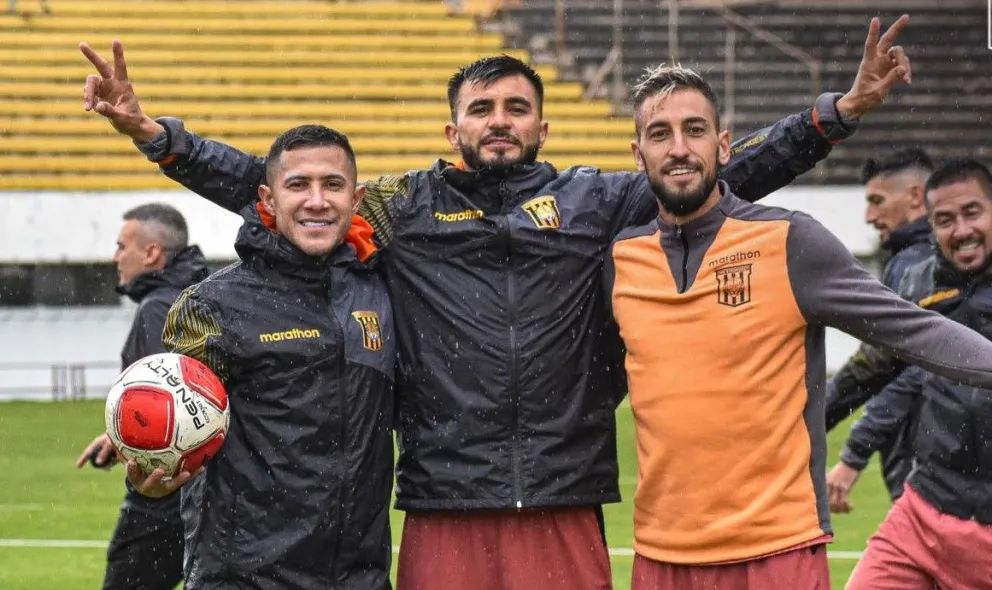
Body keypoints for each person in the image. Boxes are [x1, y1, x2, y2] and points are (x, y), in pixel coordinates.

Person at [79, 16, 911, 589]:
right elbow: (281, 193)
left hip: (563, 491)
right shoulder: (399, 209)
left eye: (517, 108)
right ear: (454, 130)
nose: (500, 120)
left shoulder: (595, 204)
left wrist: (835, 115)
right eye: (482, 109)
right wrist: (159, 137)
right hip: (444, 497)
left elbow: (719, 174)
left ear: (544, 127)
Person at [604, 67, 992, 590]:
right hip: (660, 557)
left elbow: (916, 330)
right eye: (660, 134)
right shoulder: (619, 260)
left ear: (723, 146)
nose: (678, 148)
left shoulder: (789, 243)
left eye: (694, 130)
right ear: (637, 155)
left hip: (776, 552)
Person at [125, 125, 396, 589]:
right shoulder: (209, 307)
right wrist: (152, 482)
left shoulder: (381, 289)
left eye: (333, 185)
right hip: (245, 578)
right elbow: (173, 430)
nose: (316, 200)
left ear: (357, 200)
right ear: (267, 201)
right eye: (297, 185)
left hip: (359, 578)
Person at [838, 159, 992, 590]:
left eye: (972, 213)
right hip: (923, 512)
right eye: (944, 220)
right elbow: (867, 372)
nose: (960, 230)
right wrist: (794, 426)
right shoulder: (920, 287)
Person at [74, 203, 209, 590]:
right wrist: (114, 438)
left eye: (121, 246)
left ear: (151, 253)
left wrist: (132, 439)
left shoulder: (157, 309)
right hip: (213, 491)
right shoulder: (202, 296)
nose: (116, 256)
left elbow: (161, 412)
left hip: (164, 492)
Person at [823, 148, 935, 509]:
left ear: (916, 196)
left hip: (932, 459)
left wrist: (851, 451)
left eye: (877, 201)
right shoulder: (914, 260)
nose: (870, 216)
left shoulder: (919, 265)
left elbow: (905, 365)